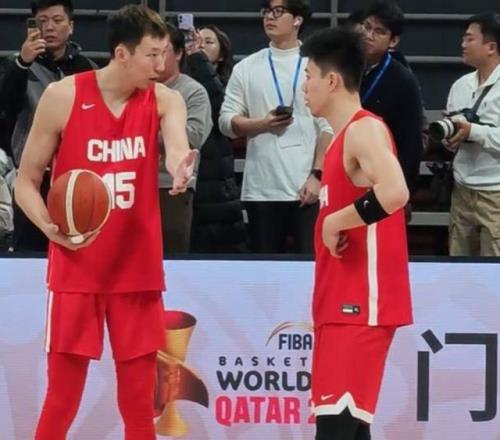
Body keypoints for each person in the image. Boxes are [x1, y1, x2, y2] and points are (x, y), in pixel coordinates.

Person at [14, 5, 196, 440]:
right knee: (62, 398)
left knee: (139, 404)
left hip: (137, 268)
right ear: (121, 54)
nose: (161, 65)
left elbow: (176, 147)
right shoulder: (63, 96)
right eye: (152, 55)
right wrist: (51, 228)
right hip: (77, 267)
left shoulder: (164, 99)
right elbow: (25, 182)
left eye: (165, 54)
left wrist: (181, 166)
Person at [301, 27, 413, 439]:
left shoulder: (364, 129)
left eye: (309, 76)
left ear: (332, 80)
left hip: (360, 305)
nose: (304, 87)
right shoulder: (337, 140)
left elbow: (396, 191)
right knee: (348, 428)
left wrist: (336, 220)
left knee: (336, 428)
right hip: (340, 304)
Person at [219, 0, 333, 254]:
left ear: (297, 20)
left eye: (278, 11)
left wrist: (318, 175)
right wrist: (262, 124)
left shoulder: (316, 66)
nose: (269, 17)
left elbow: (329, 126)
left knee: (310, 265)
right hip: (262, 189)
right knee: (265, 267)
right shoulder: (246, 67)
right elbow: (226, 122)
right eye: (267, 11)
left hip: (307, 186)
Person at [0, 0, 96, 252]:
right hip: (33, 177)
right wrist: (22, 63)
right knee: (29, 252)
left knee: (78, 247)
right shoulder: (16, 65)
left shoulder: (87, 69)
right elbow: (5, 106)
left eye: (57, 20)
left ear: (71, 26)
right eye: (42, 21)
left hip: (77, 177)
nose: (49, 27)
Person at [185, 25, 248, 253]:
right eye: (196, 40)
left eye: (208, 41)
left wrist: (198, 60)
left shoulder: (230, 84)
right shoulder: (178, 82)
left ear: (222, 54)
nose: (200, 45)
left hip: (217, 179)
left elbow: (219, 110)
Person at [445, 13, 500, 257]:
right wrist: (450, 138)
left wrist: (473, 131)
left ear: (491, 47)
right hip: (462, 191)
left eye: (469, 39)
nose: (462, 44)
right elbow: (452, 134)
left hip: (495, 192)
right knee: (459, 266)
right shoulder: (460, 85)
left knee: (494, 270)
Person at [157, 22, 212, 254]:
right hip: (131, 183)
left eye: (162, 51)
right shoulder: (135, 88)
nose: (156, 58)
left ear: (179, 53)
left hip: (171, 186)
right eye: (150, 52)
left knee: (171, 254)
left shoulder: (193, 91)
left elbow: (195, 136)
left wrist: (150, 128)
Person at [359, 0, 423, 195]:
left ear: (393, 41)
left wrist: (400, 189)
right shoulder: (343, 67)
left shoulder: (403, 80)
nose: (369, 35)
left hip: (382, 176)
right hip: (345, 165)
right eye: (366, 27)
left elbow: (411, 143)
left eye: (379, 31)